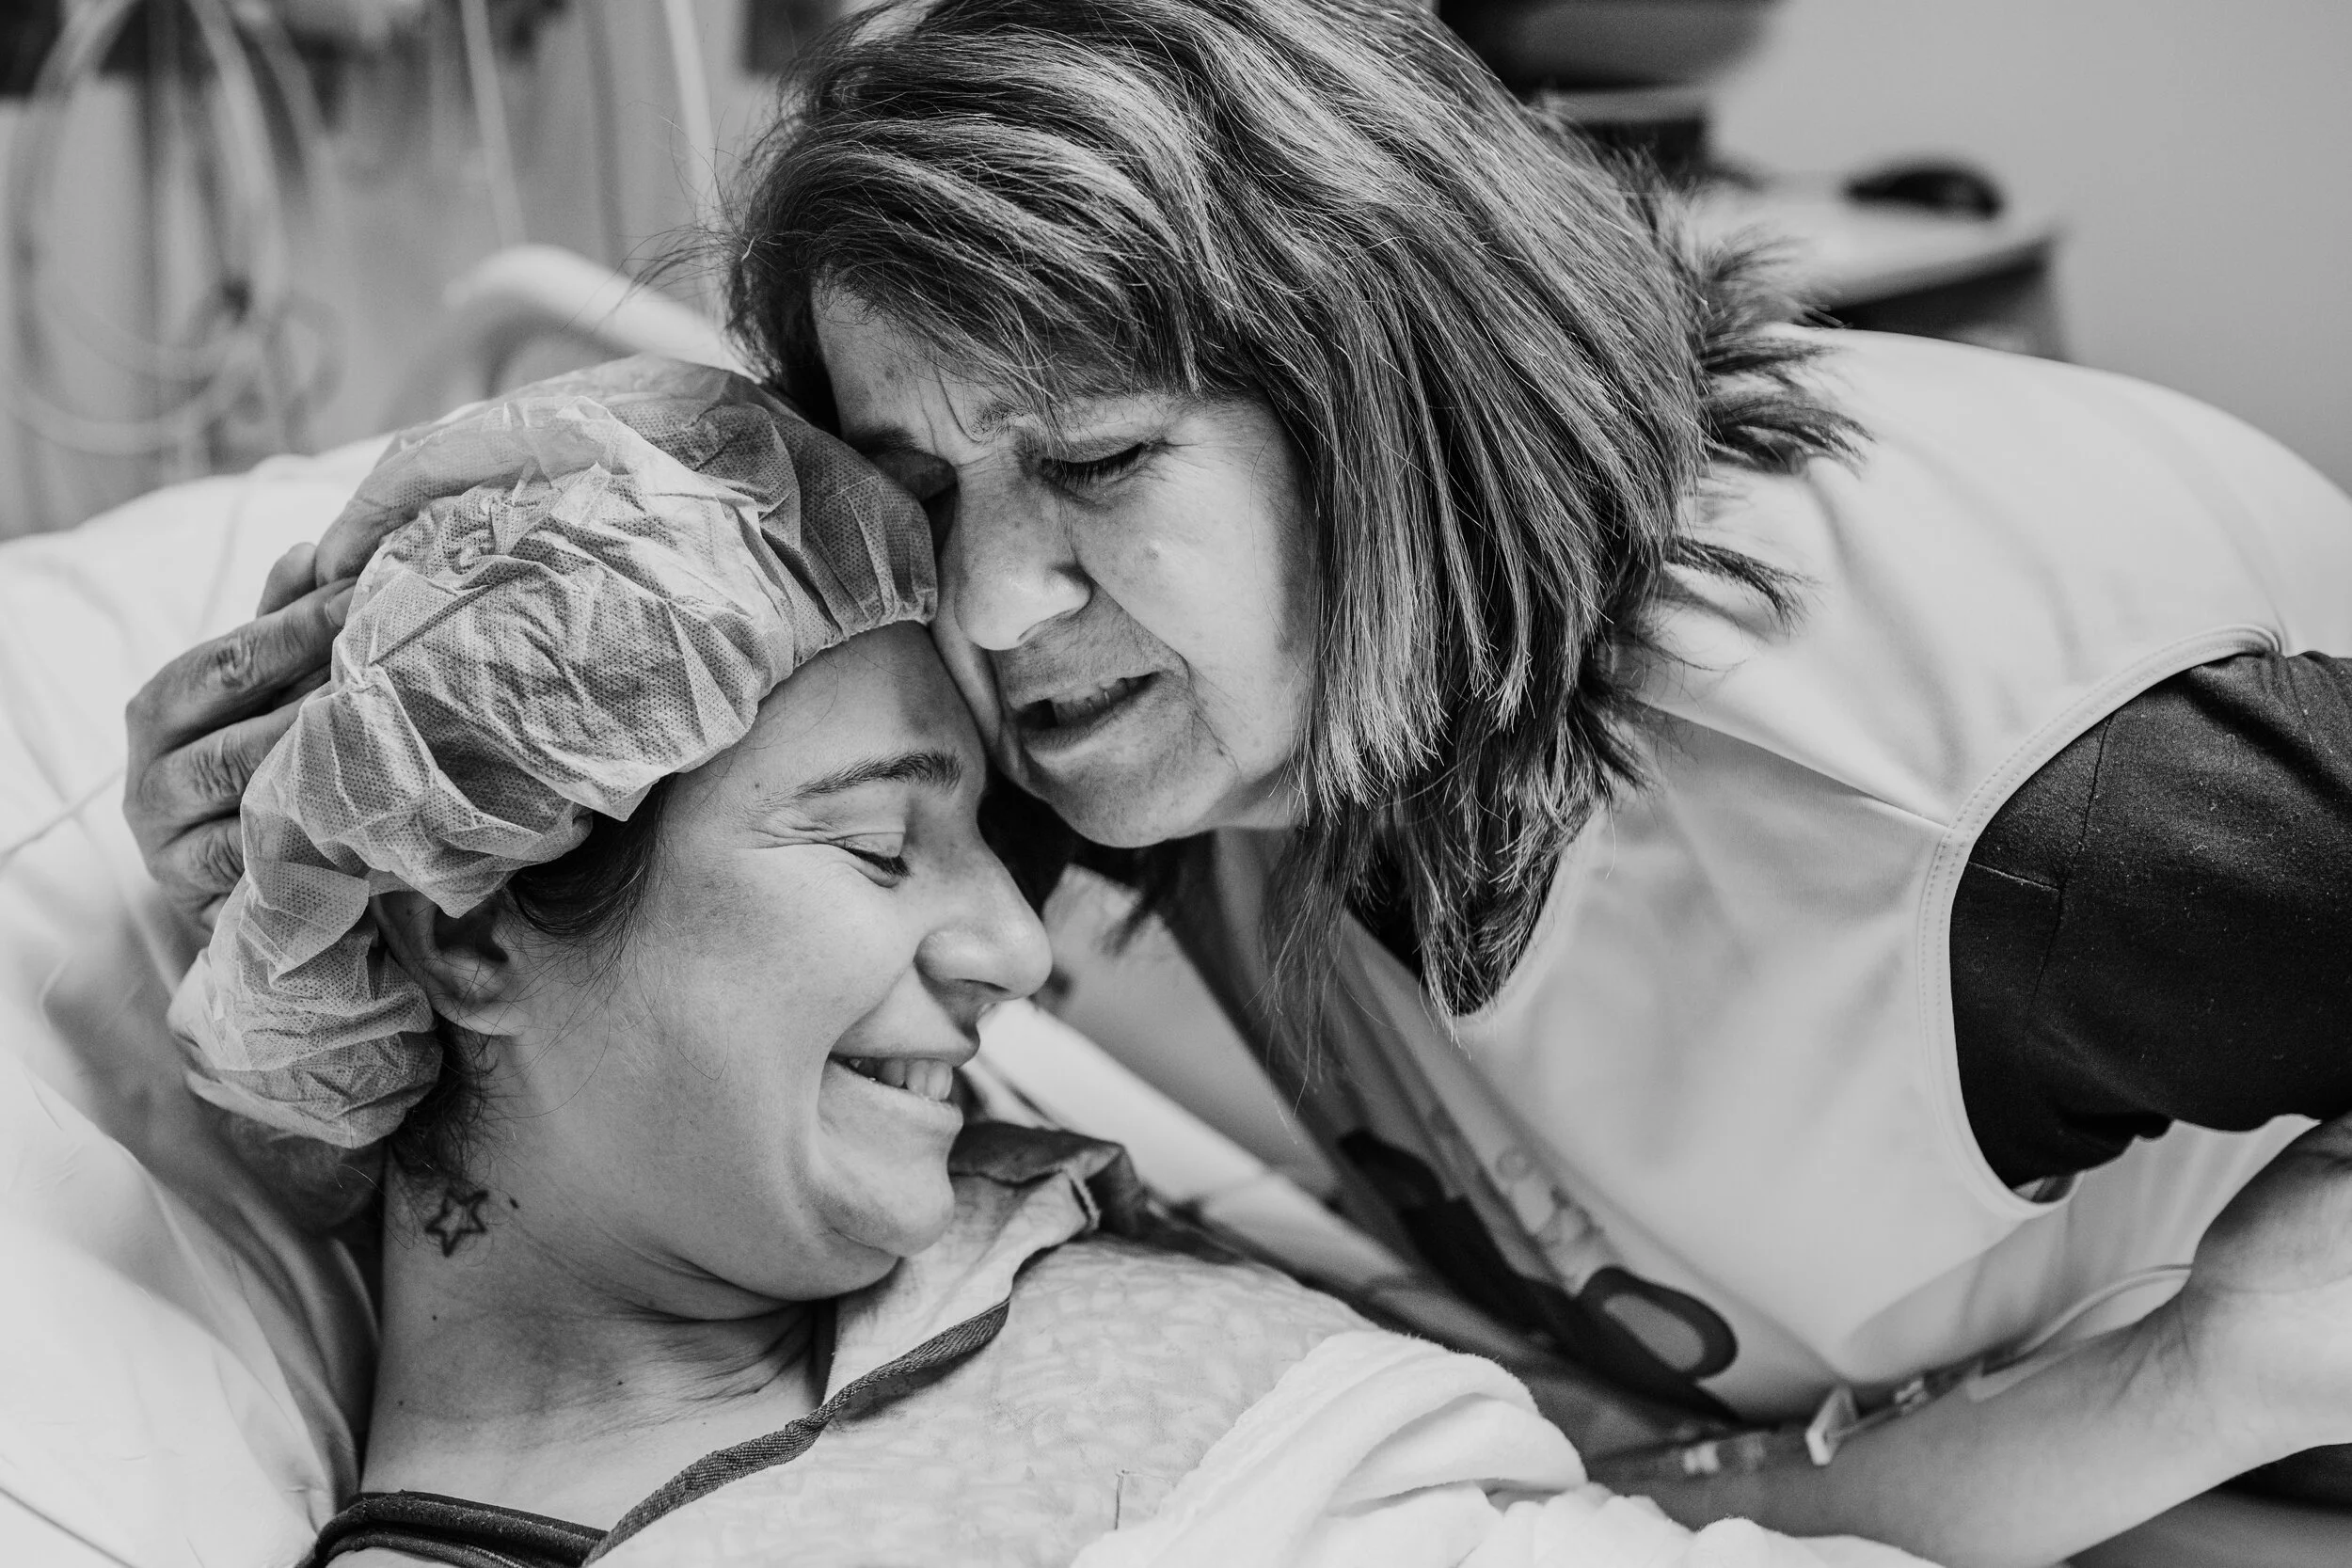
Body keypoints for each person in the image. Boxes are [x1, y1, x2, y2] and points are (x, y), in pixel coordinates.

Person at [125, 2, 2352, 1562]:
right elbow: (591, 740)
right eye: (918, 480)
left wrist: (2223, 1383)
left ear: (1381, 404)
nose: (988, 604)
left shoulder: (2072, 826)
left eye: (1097, 459)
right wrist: (380, 725)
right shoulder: (1128, 699)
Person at [187, 358, 1909, 1568]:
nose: (1016, 945)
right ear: (466, 925)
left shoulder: (995, 1223)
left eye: (986, 845)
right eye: (878, 846)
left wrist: (2105, 1402)